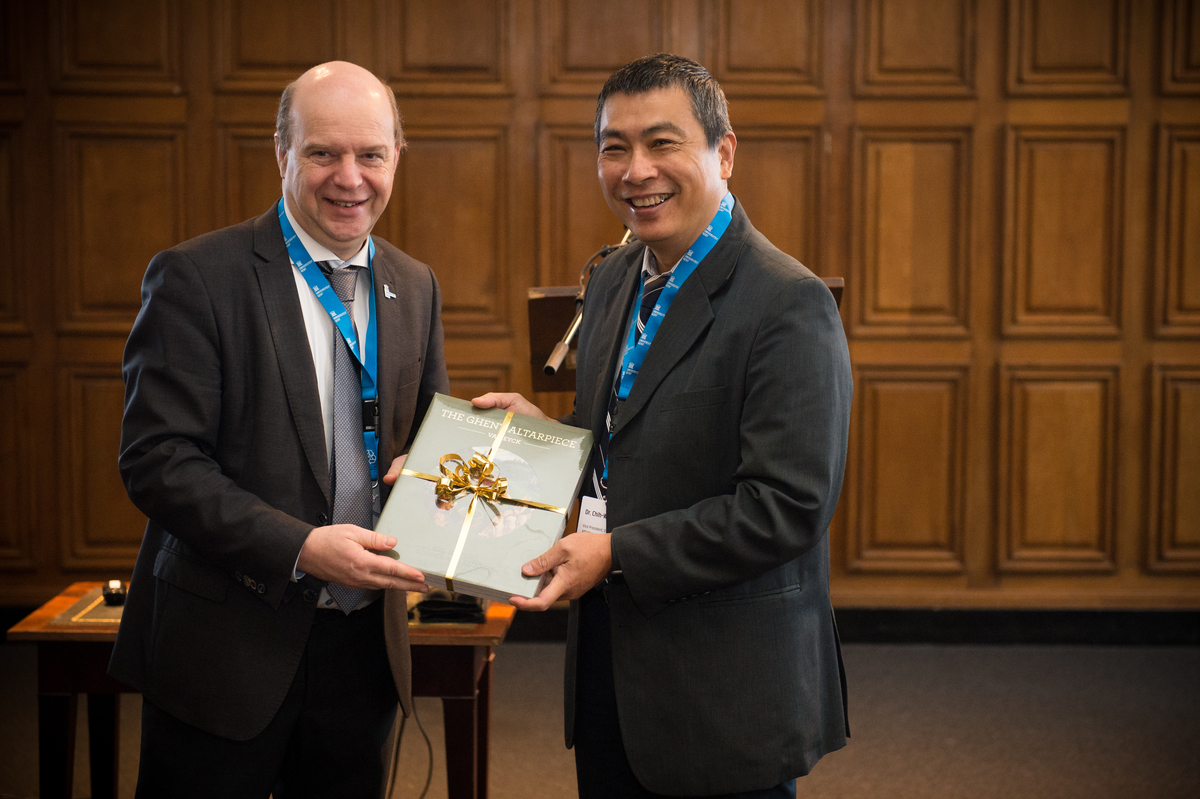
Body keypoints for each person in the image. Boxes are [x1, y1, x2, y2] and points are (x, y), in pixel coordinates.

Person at [474, 53, 852, 798]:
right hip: (612, 670)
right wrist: (543, 435)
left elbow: (786, 507)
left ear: (725, 152)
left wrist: (614, 551)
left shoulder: (789, 304)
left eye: (662, 142)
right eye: (614, 147)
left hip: (724, 690)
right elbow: (619, 435)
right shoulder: (616, 276)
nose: (635, 169)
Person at [110, 61, 446, 798]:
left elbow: (422, 445)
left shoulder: (413, 283)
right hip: (226, 648)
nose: (349, 177)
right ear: (281, 152)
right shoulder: (198, 277)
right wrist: (298, 546)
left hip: (362, 651)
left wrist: (482, 468)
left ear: (397, 157)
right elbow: (158, 461)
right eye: (324, 152)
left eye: (371, 154)